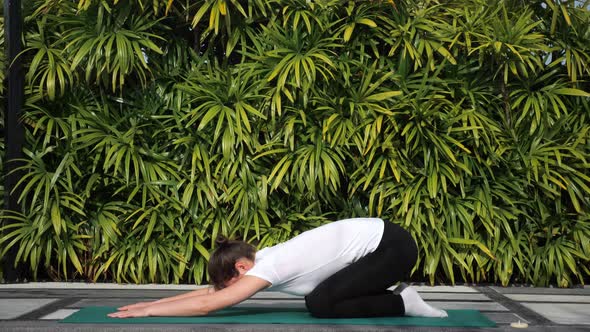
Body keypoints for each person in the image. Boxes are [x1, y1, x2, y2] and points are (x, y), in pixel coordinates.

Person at [108, 217, 447, 318]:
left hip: (393, 248)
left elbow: (208, 304)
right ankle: (397, 297)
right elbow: (211, 293)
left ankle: (404, 302)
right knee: (320, 299)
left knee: (320, 303)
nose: (229, 288)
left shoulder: (269, 269)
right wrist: (150, 303)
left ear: (241, 268)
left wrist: (148, 315)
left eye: (230, 281)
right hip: (379, 244)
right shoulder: (259, 259)